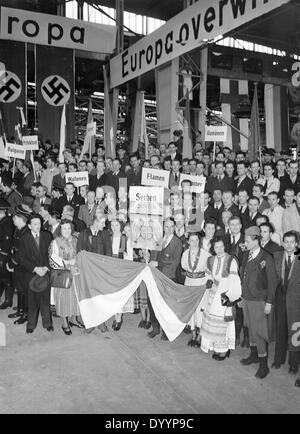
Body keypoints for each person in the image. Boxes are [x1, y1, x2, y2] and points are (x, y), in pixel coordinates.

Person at [240, 226, 277, 379]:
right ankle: (254, 355)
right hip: (247, 299)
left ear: (256, 240)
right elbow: (243, 275)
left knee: (259, 332)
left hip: (259, 301)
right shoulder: (246, 254)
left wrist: (269, 302)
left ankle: (263, 365)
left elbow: (273, 282)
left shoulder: (266, 257)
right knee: (250, 328)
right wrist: (241, 297)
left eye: (247, 241)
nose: (245, 243)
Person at [200, 237, 242, 360]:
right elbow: (208, 274)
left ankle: (224, 350)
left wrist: (231, 297)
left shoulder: (231, 260)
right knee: (211, 321)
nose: (219, 249)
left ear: (225, 246)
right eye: (216, 247)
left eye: (221, 246)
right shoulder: (211, 260)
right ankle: (215, 347)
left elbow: (234, 281)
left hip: (224, 294)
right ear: (213, 248)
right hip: (213, 292)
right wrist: (208, 281)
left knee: (223, 322)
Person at [17, 214, 53, 334]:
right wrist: (35, 268)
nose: (38, 226)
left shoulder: (47, 236)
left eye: (39, 223)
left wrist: (46, 268)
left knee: (45, 300)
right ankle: (31, 325)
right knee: (31, 301)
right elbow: (21, 258)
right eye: (35, 224)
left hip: (45, 272)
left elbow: (51, 254)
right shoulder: (24, 238)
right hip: (31, 274)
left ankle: (47, 323)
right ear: (29, 226)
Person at [148, 219, 183, 340]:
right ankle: (155, 327)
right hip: (155, 275)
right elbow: (153, 255)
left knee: (166, 305)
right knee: (152, 302)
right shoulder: (158, 239)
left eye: (171, 227)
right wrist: (149, 259)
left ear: (174, 227)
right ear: (163, 227)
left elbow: (175, 262)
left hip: (168, 277)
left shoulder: (177, 242)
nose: (169, 229)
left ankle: (166, 330)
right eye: (166, 227)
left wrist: (158, 263)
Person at [49, 219, 84, 336]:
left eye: (69, 228)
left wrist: (77, 262)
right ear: (60, 229)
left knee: (75, 297)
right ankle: (64, 322)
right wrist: (68, 263)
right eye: (64, 228)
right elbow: (52, 258)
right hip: (63, 274)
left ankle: (74, 319)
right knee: (63, 299)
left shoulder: (76, 240)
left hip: (76, 273)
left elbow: (80, 253)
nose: (67, 231)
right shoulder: (55, 242)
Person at [273, 232, 300, 376]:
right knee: (280, 330)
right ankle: (278, 359)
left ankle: (294, 364)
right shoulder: (277, 256)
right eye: (286, 242)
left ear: (297, 244)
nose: (289, 245)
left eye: (292, 242)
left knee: (295, 333)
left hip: (296, 302)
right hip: (280, 301)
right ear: (282, 243)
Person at [181, 233, 210, 347]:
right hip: (189, 282)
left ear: (200, 241)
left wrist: (209, 281)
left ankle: (199, 337)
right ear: (188, 241)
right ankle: (193, 335)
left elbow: (208, 270)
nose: (194, 243)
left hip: (201, 283)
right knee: (191, 309)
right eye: (191, 240)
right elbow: (184, 266)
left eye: (196, 240)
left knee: (200, 309)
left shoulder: (205, 254)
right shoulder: (185, 254)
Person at [7, 205, 31, 324]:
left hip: (24, 266)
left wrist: (12, 264)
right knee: (19, 289)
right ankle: (20, 310)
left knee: (25, 291)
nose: (13, 219)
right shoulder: (19, 229)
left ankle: (26, 314)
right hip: (18, 265)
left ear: (20, 218)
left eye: (14, 217)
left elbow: (21, 253)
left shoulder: (26, 232)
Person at [110, 219, 134, 330]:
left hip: (122, 269)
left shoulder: (124, 239)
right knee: (113, 294)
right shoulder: (109, 237)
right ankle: (115, 315)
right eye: (112, 225)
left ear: (120, 226)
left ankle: (118, 317)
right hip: (111, 269)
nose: (114, 227)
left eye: (116, 225)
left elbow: (129, 256)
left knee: (120, 293)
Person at [0, 199, 14, 309]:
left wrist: (2, 257)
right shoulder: (3, 220)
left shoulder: (7, 222)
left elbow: (6, 241)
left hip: (4, 254)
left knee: (6, 277)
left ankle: (8, 300)